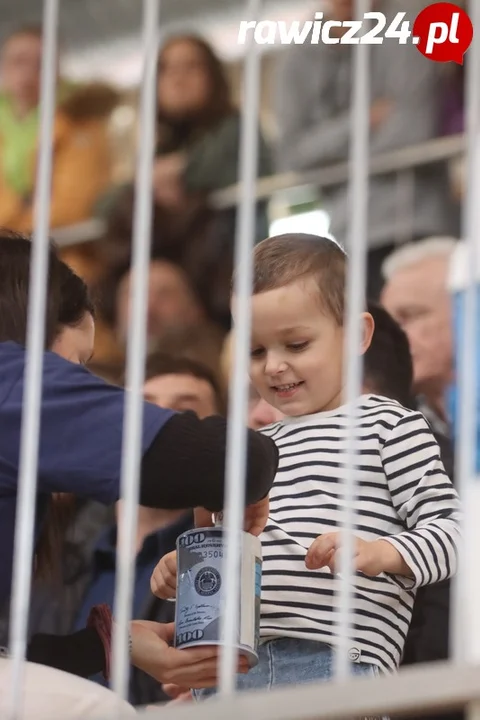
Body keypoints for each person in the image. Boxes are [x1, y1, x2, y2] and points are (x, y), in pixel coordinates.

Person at [153, 233, 460, 696]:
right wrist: (184, 570)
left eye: (295, 345)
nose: (273, 366)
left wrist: (382, 553)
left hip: (337, 662)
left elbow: (456, 534)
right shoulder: (249, 448)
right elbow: (228, 558)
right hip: (231, 670)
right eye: (255, 352)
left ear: (357, 335)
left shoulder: (390, 426)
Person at [0, 232, 277, 684]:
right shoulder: (14, 384)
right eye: (75, 365)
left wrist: (112, 644)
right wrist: (238, 476)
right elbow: (234, 460)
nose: (73, 384)